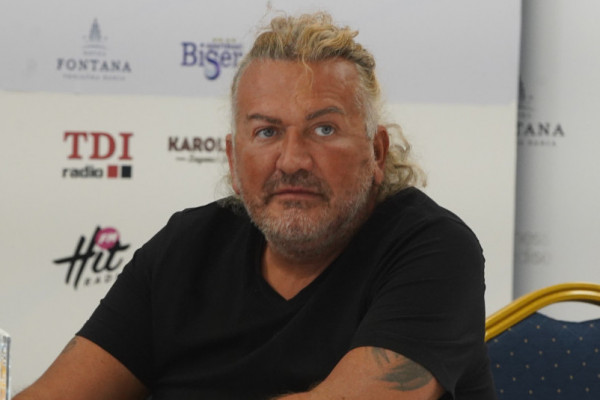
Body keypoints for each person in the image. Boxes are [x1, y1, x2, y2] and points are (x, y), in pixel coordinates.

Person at [15, 12, 496, 400]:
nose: (292, 160)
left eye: (323, 129)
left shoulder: (435, 250)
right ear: (232, 157)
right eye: (267, 132)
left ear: (377, 152)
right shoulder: (185, 247)